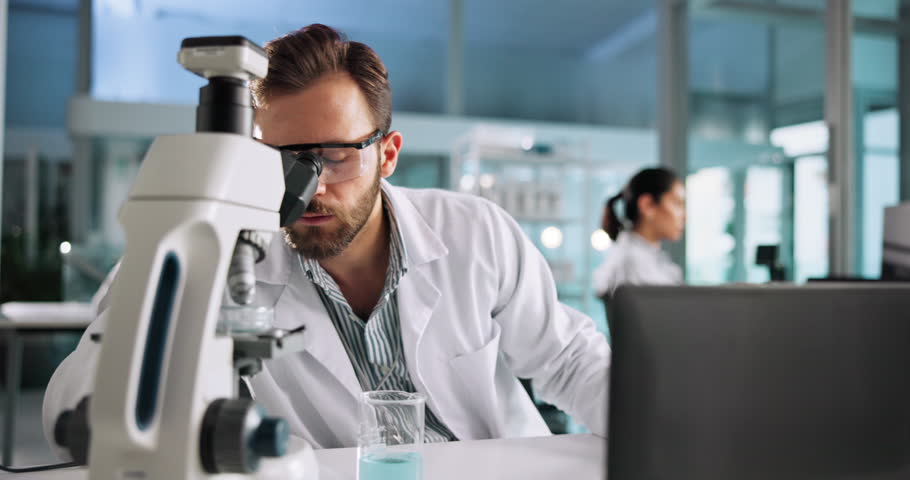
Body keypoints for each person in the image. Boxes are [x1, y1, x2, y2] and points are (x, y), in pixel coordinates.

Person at [43, 24, 610, 451]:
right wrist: (179, 240)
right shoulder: (226, 247)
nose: (308, 188)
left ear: (387, 155)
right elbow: (71, 408)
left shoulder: (475, 233)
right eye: (280, 161)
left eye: (333, 158)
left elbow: (568, 360)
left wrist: (664, 438)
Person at [592, 167, 685, 300]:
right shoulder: (632, 263)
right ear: (647, 205)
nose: (684, 215)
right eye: (677, 203)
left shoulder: (649, 258)